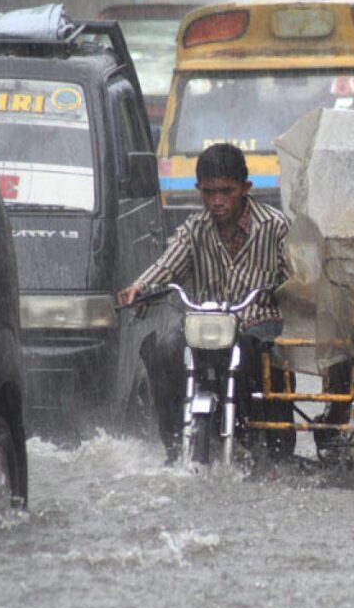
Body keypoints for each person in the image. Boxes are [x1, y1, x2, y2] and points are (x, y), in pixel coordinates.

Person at [117, 143, 294, 463]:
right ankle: (173, 447)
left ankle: (273, 449)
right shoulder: (194, 230)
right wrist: (140, 288)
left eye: (226, 191)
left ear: (245, 188)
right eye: (209, 192)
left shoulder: (275, 226)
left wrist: (296, 293)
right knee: (166, 349)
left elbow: (296, 278)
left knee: (274, 359)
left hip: (256, 323)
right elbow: (167, 265)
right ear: (199, 190)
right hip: (203, 324)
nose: (217, 201)